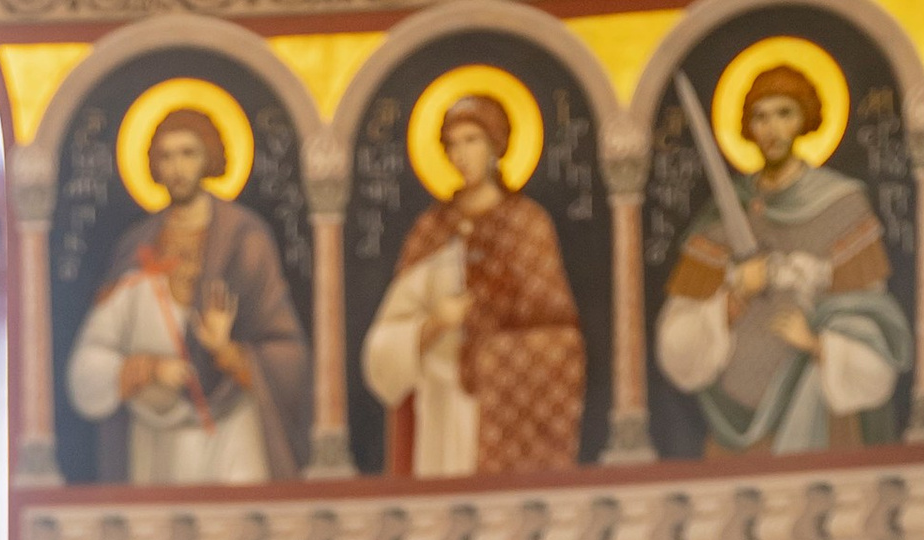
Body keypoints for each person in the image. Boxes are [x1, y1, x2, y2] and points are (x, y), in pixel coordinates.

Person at [655, 61, 910, 455]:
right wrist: (733, 298)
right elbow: (676, 343)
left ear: (804, 120)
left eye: (783, 114)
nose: (771, 129)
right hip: (735, 422)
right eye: (760, 117)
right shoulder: (722, 217)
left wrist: (815, 343)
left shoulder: (842, 208)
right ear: (748, 128)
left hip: (823, 418)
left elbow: (871, 321)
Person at [66, 109, 311, 483]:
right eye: (166, 156)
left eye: (188, 153)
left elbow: (288, 354)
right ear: (154, 166)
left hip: (231, 434)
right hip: (156, 443)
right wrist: (146, 369)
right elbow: (88, 364)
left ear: (209, 158)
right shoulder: (138, 248)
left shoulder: (245, 239)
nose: (177, 167)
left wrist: (227, 352)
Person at [362, 90, 586, 476]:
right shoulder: (431, 231)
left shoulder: (527, 224)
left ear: (496, 144)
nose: (461, 154)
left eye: (472, 140)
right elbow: (382, 345)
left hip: (507, 406)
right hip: (440, 407)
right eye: (452, 145)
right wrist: (434, 325)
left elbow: (559, 333)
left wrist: (491, 355)